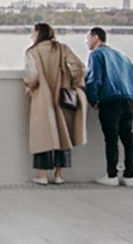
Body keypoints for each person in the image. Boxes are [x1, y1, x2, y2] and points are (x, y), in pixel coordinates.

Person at [22, 22, 86, 185]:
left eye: (33, 32)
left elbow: (32, 77)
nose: (31, 36)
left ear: (38, 33)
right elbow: (78, 66)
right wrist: (75, 83)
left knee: (43, 136)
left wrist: (30, 89)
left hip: (42, 98)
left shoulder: (32, 52)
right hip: (63, 96)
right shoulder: (61, 48)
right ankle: (58, 175)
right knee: (63, 134)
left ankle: (42, 175)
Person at [84, 27, 133, 187]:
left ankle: (112, 175)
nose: (87, 42)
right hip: (128, 100)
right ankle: (130, 176)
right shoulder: (122, 56)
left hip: (110, 100)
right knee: (128, 139)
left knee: (111, 139)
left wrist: (93, 100)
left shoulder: (96, 54)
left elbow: (94, 79)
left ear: (95, 37)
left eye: (88, 38)